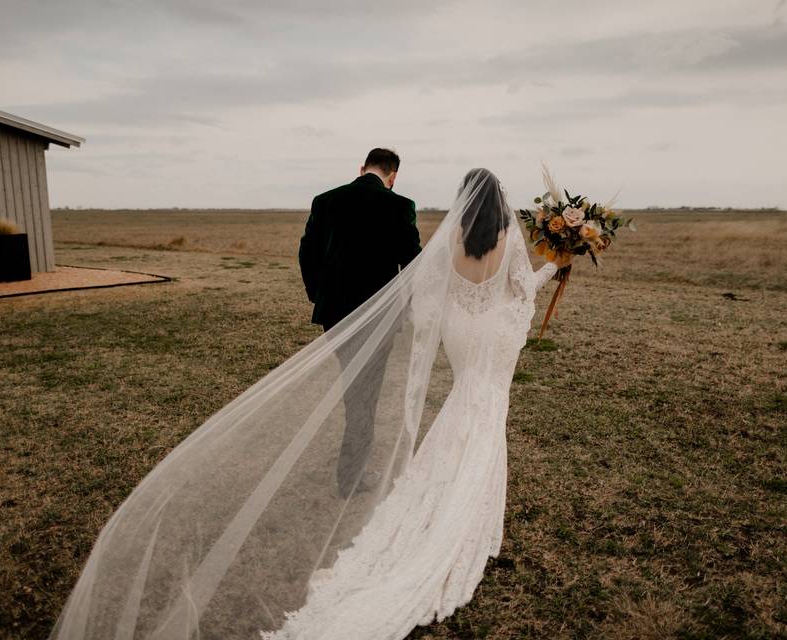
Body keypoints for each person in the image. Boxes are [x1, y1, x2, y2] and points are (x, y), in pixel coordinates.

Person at [49, 168, 567, 640]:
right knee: (484, 406)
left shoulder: (451, 239)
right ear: (500, 205)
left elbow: (428, 287)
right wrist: (557, 266)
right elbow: (519, 292)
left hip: (452, 331)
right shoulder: (506, 238)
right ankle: (461, 508)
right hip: (490, 336)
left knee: (459, 400)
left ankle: (420, 480)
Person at [299, 148, 422, 497]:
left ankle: (352, 467)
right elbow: (412, 262)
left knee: (356, 391)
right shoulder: (400, 206)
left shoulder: (325, 201)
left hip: (335, 314)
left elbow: (306, 252)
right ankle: (351, 476)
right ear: (393, 175)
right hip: (378, 317)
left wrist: (317, 294)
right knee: (364, 395)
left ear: (362, 168)